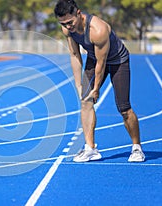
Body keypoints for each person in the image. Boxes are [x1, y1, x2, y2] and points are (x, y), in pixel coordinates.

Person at [54, 0, 145, 162]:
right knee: (85, 102)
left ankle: (137, 148)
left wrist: (96, 88)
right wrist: (79, 84)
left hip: (118, 61)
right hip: (93, 59)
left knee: (124, 108)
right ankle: (91, 149)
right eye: (63, 23)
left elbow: (102, 64)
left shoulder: (98, 30)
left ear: (78, 13)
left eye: (70, 22)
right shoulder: (67, 30)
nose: (68, 26)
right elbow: (75, 55)